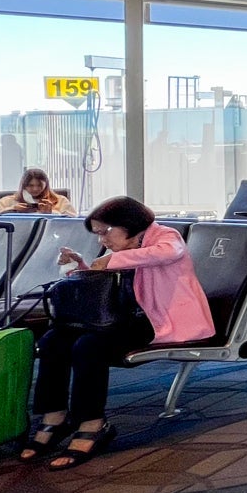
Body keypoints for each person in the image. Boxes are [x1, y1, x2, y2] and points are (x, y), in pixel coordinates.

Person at [20, 197, 214, 470]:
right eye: (97, 234)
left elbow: (168, 253)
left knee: (89, 346)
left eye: (105, 232)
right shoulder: (122, 247)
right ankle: (55, 416)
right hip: (125, 318)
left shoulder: (165, 236)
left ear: (128, 223)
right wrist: (81, 266)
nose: (102, 240)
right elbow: (105, 286)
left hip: (161, 320)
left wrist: (112, 259)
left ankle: (93, 424)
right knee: (54, 340)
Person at [0, 168, 75, 215]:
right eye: (30, 186)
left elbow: (73, 223)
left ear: (46, 185)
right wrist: (11, 210)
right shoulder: (8, 201)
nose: (35, 189)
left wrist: (52, 213)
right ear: (23, 186)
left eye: (39, 185)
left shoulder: (60, 201)